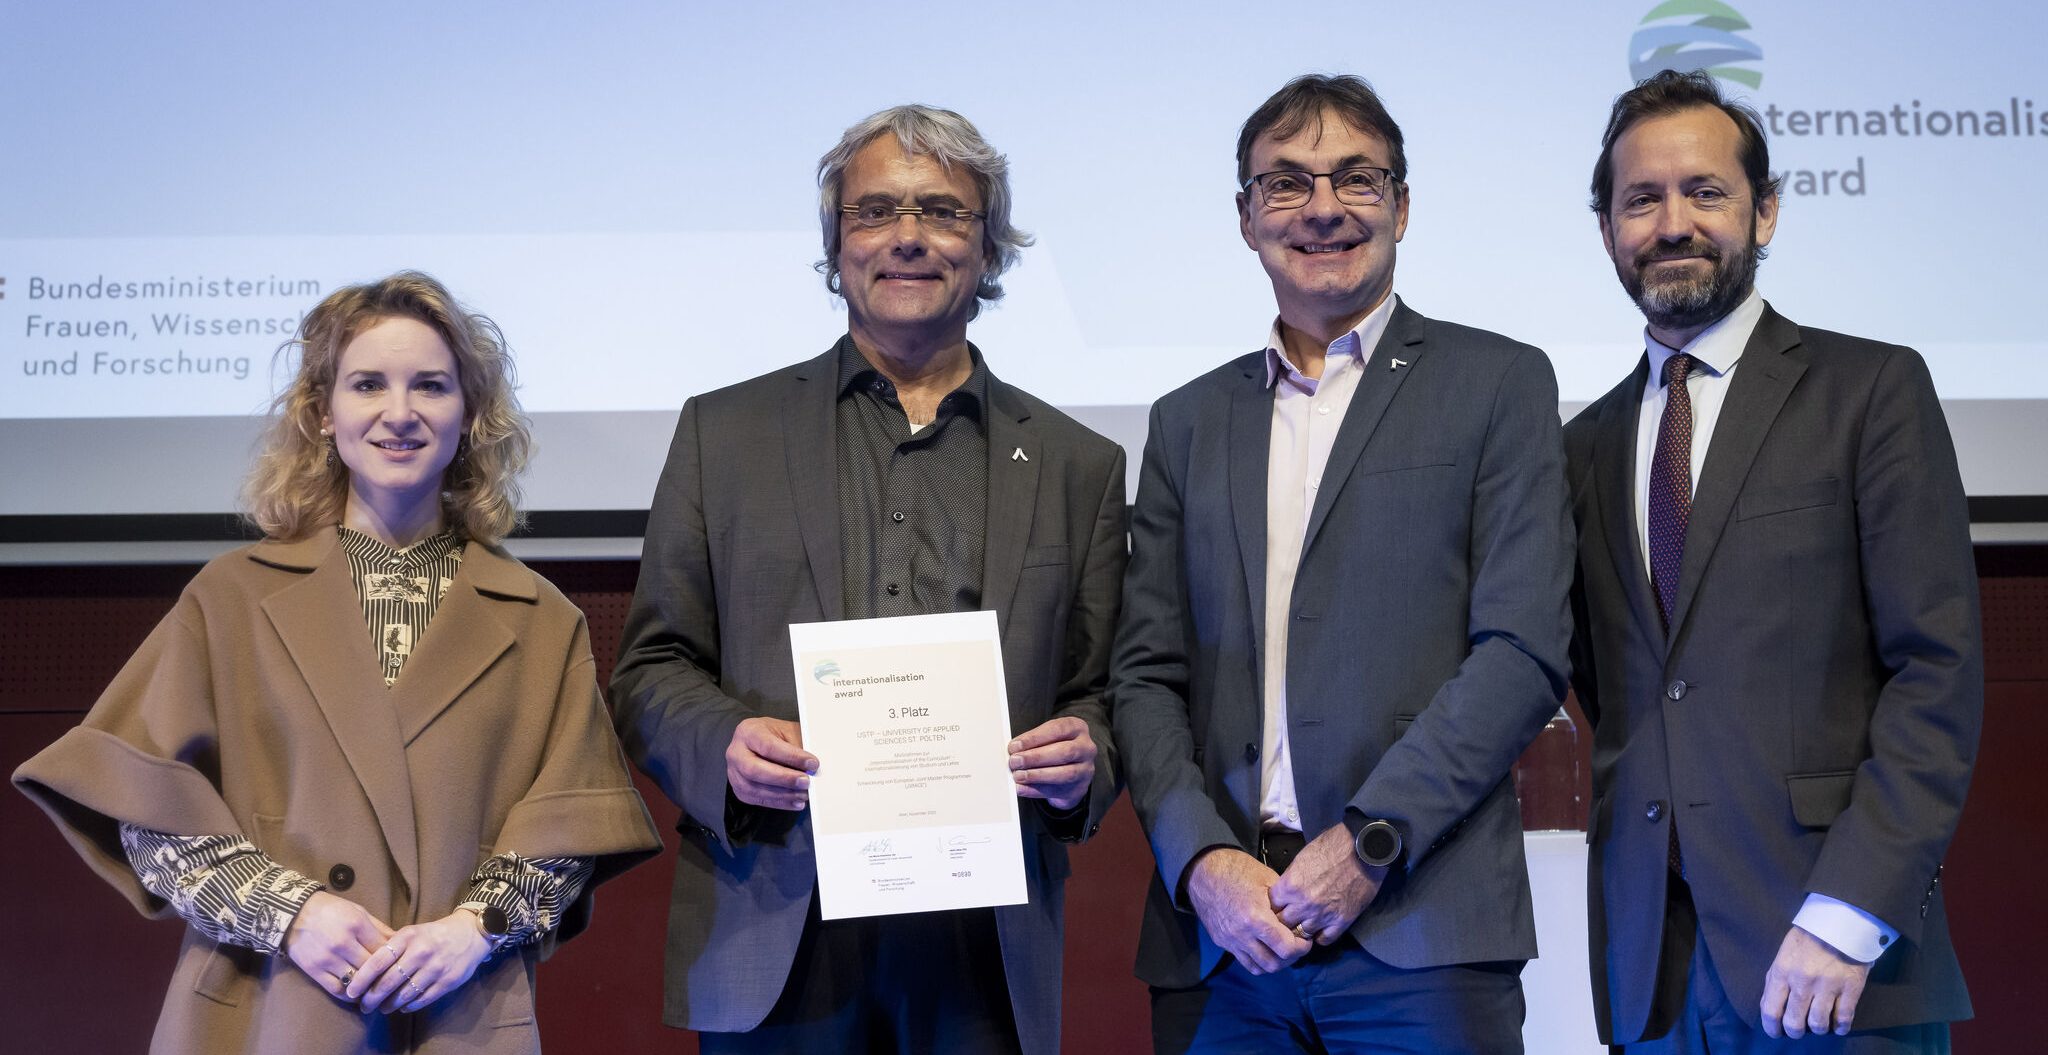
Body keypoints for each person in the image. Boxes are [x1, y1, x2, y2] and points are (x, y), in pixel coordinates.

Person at [13, 271, 663, 1054]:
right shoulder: (231, 598)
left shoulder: (542, 617)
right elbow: (151, 814)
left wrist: (472, 929)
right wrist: (293, 913)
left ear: (469, 416)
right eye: (367, 385)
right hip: (268, 1008)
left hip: (458, 1012)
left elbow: (570, 828)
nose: (400, 412)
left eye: (430, 385)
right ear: (324, 413)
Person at [610, 105, 1126, 1055]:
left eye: (943, 212)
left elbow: (1099, 691)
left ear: (988, 248)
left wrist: (1085, 757)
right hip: (776, 918)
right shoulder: (723, 435)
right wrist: (724, 745)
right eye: (875, 211)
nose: (908, 237)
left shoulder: (1075, 463)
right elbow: (651, 667)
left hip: (983, 942)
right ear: (836, 244)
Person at [1110, 73, 1573, 1054]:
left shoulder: (1497, 382)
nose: (1321, 207)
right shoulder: (1186, 420)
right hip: (1222, 943)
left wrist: (1369, 842)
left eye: (1354, 178)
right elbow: (1143, 675)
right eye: (1284, 183)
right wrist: (1200, 864)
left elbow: (1521, 647)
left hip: (1423, 932)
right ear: (1244, 218)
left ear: (1401, 205)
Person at [1567, 69, 1983, 1053]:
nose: (1672, 222)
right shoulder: (1577, 446)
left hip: (1834, 965)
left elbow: (1935, 670)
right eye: (1641, 198)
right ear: (1606, 230)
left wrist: (1848, 911)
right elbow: (1612, 683)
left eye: (1704, 191)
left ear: (1764, 213)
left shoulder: (1869, 389)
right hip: (1653, 981)